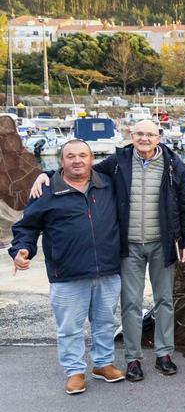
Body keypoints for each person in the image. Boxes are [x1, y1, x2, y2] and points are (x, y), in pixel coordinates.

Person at [31, 119, 185, 380]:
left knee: (165, 300)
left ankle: (164, 353)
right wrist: (48, 174)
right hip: (128, 245)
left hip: (162, 243)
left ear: (159, 136)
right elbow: (83, 170)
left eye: (150, 134)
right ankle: (133, 359)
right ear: (131, 135)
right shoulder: (118, 161)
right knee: (130, 303)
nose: (144, 138)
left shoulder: (174, 164)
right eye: (139, 133)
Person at [11, 140, 125, 394]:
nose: (77, 160)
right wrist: (22, 249)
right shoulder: (48, 191)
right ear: (61, 161)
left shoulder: (107, 184)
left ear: (91, 158)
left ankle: (103, 363)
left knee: (105, 322)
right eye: (70, 156)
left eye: (82, 155)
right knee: (70, 327)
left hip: (107, 269)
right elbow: (27, 227)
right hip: (67, 274)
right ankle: (74, 371)